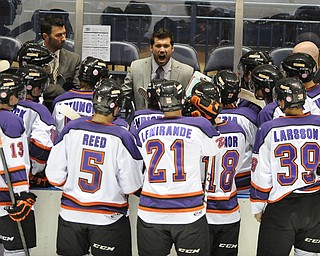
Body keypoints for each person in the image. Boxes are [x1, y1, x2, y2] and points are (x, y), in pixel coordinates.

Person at [45, 78, 143, 256]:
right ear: (116, 107)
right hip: (108, 219)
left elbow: (54, 176)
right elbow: (132, 186)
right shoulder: (123, 136)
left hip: (70, 215)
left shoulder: (71, 129)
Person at [133, 80, 224, 256]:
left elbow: (137, 164)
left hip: (151, 213)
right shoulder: (199, 126)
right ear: (183, 100)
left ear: (159, 102)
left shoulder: (143, 129)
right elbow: (216, 148)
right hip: (189, 213)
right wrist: (210, 120)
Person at [250, 77, 320, 255]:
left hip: (282, 206)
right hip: (315, 204)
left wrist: (257, 207)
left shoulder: (268, 129)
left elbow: (261, 174)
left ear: (281, 101)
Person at [186, 81, 246, 256]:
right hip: (229, 212)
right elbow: (238, 166)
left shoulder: (192, 132)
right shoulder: (238, 130)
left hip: (199, 214)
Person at [0, 73, 37, 254]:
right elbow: (14, 161)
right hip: (6, 201)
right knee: (16, 251)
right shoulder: (11, 121)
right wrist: (21, 195)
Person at [122, 28, 194, 110]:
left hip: (173, 121)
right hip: (145, 120)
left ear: (172, 48)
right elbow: (123, 97)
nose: (162, 50)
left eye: (166, 46)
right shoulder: (136, 68)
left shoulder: (187, 72)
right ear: (151, 47)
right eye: (158, 46)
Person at [214, 70, 257, 193]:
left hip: (215, 181)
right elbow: (258, 149)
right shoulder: (248, 116)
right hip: (244, 181)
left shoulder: (206, 118)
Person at [13, 65, 56, 188]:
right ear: (34, 89)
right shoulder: (39, 110)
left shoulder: (4, 106)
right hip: (20, 177)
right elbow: (42, 148)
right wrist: (34, 171)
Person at [51, 56, 108, 135]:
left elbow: (53, 133)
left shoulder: (60, 100)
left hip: (64, 145)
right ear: (100, 79)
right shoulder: (102, 105)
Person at [40, 15, 81, 112]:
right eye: (58, 35)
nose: (64, 38)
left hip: (65, 110)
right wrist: (59, 90)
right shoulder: (32, 55)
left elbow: (77, 90)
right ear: (46, 36)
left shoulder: (74, 59)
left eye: (64, 34)